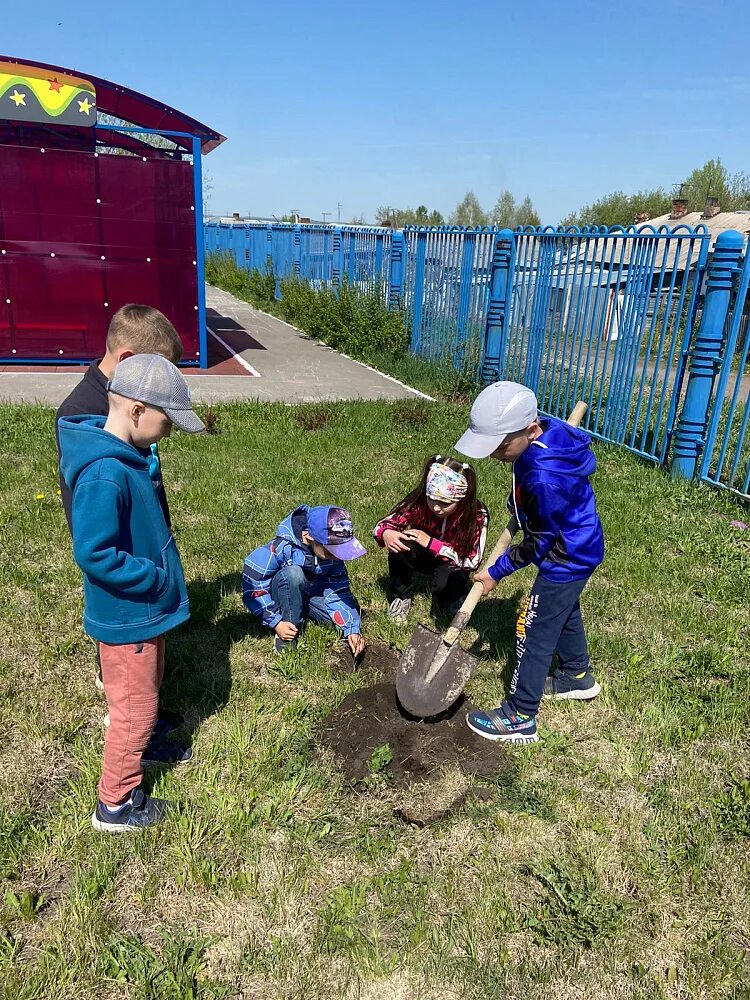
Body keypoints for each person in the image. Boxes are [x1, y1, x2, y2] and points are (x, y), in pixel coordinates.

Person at [58, 354, 205, 831]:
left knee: (149, 687)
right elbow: (95, 553)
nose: (168, 434)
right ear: (138, 411)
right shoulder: (104, 473)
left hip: (144, 615)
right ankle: (117, 804)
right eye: (167, 423)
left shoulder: (128, 458)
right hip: (128, 616)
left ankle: (144, 748)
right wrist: (154, 580)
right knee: (133, 711)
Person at [55, 304, 185, 740]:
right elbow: (92, 534)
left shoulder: (127, 413)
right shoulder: (84, 416)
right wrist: (143, 570)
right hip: (124, 574)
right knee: (126, 682)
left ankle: (143, 719)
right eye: (161, 371)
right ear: (131, 364)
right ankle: (127, 728)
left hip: (141, 558)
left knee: (145, 671)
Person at [455, 381, 604, 744]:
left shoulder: (544, 477)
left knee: (533, 628)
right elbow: (531, 489)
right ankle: (576, 676)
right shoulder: (547, 437)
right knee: (562, 610)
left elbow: (537, 544)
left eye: (500, 446)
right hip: (579, 543)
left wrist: (495, 572)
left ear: (531, 430)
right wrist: (519, 504)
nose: (494, 454)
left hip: (564, 554)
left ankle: (520, 715)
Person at [373, 455, 488, 623]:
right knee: (399, 545)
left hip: (453, 560)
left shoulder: (476, 515)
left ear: (461, 499)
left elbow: (473, 561)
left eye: (445, 503)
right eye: (431, 499)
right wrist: (386, 534)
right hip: (423, 553)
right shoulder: (419, 502)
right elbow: (383, 524)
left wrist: (432, 543)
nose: (436, 507)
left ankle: (454, 597)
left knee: (443, 589)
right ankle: (401, 596)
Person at [242, 505, 366, 659]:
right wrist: (275, 621)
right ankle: (287, 632)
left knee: (339, 625)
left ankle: (300, 607)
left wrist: (352, 629)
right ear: (309, 536)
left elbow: (338, 592)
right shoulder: (281, 548)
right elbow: (253, 582)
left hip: (310, 596)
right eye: (331, 551)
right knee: (294, 574)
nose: (336, 557)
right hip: (281, 593)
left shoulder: (333, 558)